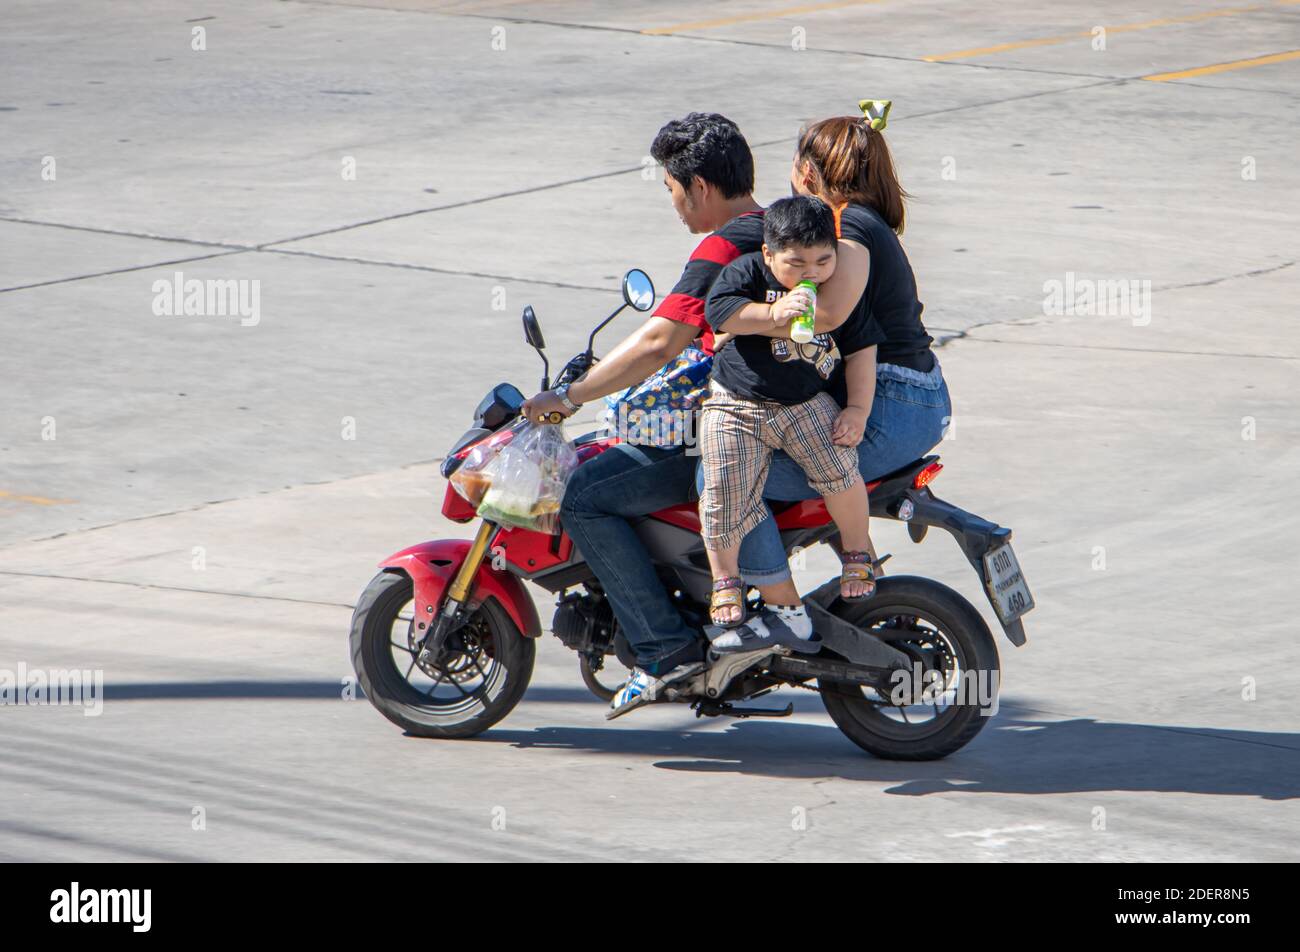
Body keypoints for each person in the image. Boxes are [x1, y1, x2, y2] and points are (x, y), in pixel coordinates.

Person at [520, 114, 807, 718]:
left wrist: (571, 398)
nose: (674, 206)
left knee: (584, 495)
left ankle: (664, 649)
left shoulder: (724, 244)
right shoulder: (783, 228)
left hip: (733, 431)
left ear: (699, 186)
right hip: (789, 421)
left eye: (673, 191)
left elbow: (659, 342)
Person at [723, 105, 952, 611]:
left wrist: (740, 319)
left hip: (889, 405)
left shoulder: (847, 228)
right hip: (914, 396)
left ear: (806, 173)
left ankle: (778, 611)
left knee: (724, 474)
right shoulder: (861, 223)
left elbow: (823, 317)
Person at [698, 195, 881, 651]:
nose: (812, 272)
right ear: (768, 255)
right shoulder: (747, 274)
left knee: (839, 468)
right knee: (722, 486)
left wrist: (857, 410)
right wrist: (770, 314)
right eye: (796, 263)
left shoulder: (838, 289)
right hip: (735, 405)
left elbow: (861, 350)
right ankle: (726, 579)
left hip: (804, 402)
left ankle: (857, 553)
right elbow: (719, 311)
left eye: (823, 259)